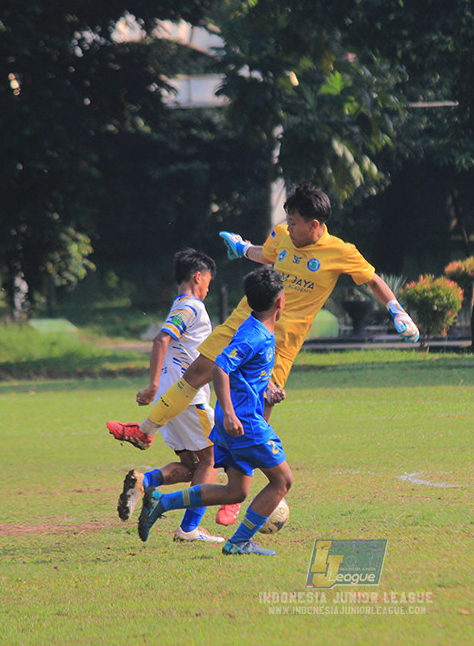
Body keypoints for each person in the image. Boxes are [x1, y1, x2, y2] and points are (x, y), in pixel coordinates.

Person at [108, 182, 419, 450]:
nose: (289, 227)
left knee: (259, 413)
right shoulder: (283, 234)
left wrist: (396, 309)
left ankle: (235, 481)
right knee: (195, 374)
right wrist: (243, 248)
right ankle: (145, 432)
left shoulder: (341, 252)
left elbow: (373, 280)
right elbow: (267, 253)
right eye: (288, 220)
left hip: (279, 341)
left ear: (314, 225)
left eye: (295, 222)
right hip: (243, 320)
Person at [138, 265, 292, 556]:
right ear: (280, 302)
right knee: (282, 480)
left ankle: (164, 503)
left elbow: (244, 373)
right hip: (243, 423)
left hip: (236, 420)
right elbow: (221, 367)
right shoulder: (254, 335)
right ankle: (239, 541)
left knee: (236, 492)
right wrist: (232, 414)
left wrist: (268, 391)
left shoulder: (258, 330)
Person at [110, 248, 228, 544]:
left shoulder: (180, 304)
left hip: (172, 398)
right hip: (188, 397)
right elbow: (162, 338)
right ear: (197, 277)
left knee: (192, 467)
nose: (206, 290)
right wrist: (150, 385)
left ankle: (144, 482)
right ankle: (188, 529)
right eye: (207, 284)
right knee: (210, 460)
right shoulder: (192, 306)